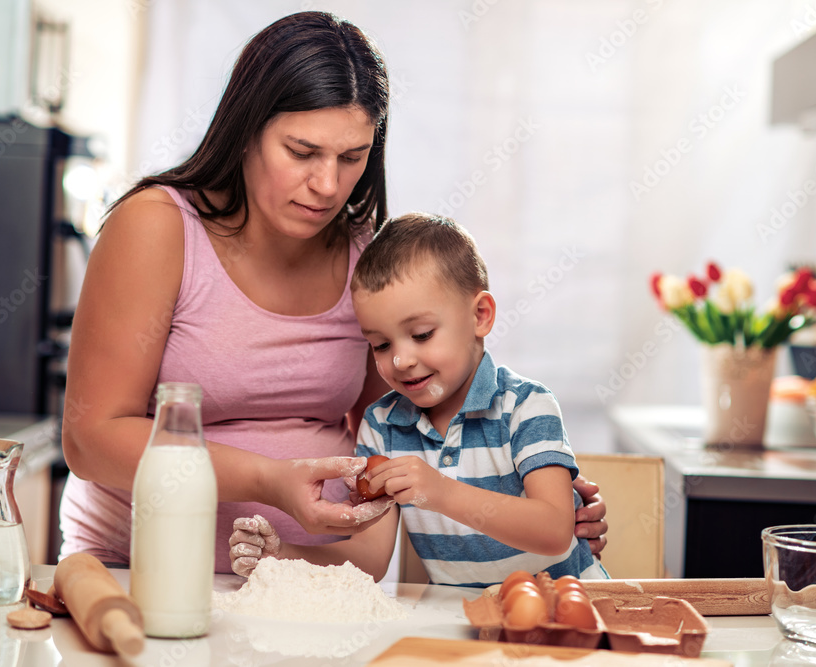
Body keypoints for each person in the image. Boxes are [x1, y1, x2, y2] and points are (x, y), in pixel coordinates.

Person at [59, 11, 607, 575]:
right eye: (302, 152)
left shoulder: (362, 256)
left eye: (352, 157)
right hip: (138, 570)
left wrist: (535, 497)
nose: (327, 186)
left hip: (311, 581)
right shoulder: (155, 227)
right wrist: (269, 481)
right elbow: (91, 438)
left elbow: (408, 421)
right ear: (245, 130)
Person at [229, 213, 609, 587]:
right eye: (380, 344)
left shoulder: (527, 407)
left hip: (569, 610)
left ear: (480, 315)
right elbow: (370, 559)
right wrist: (283, 556)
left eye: (422, 334)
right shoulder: (382, 426)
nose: (401, 360)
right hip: (459, 622)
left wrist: (440, 491)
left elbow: (555, 531)